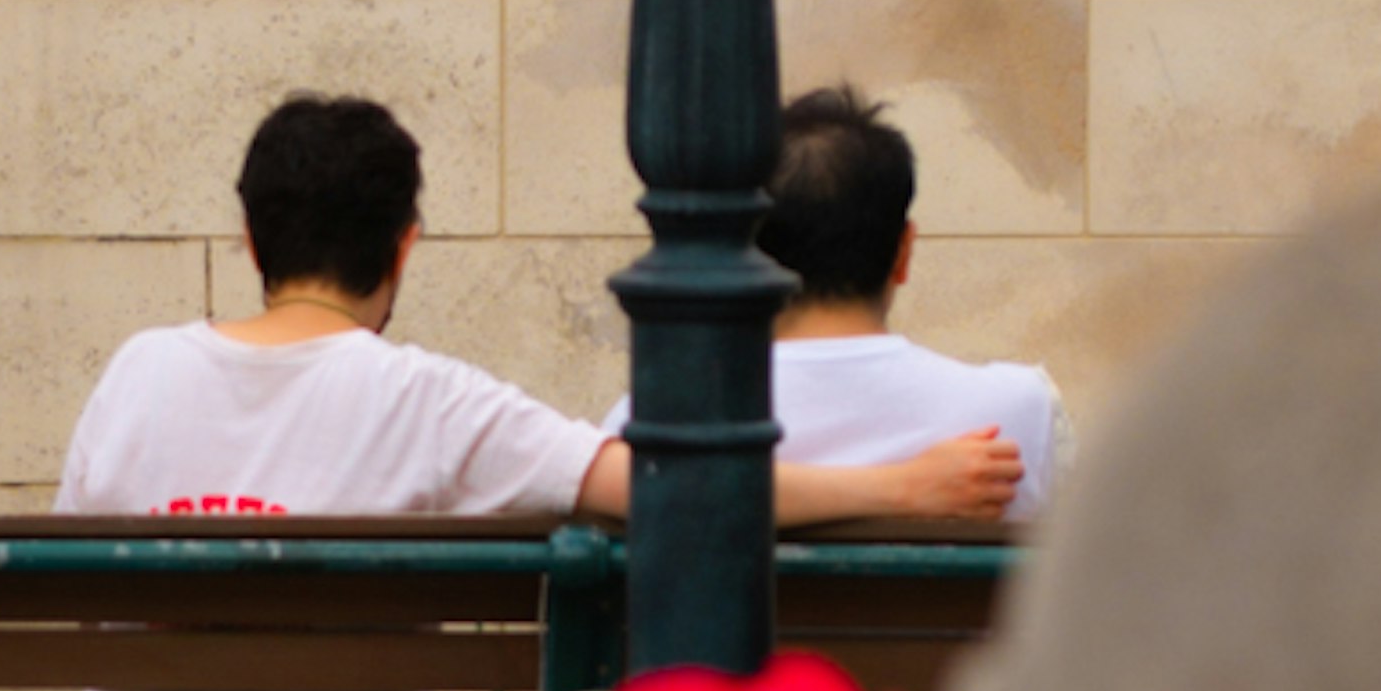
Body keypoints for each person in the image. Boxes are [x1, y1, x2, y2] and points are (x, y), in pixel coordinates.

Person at [60, 91, 1022, 526]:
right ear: (405, 243)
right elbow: (676, 490)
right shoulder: (432, 402)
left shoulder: (138, 371)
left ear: (250, 238)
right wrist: (902, 488)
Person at [753, 82, 1064, 526]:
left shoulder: (685, 418)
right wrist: (904, 485)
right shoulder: (1019, 408)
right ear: (903, 253)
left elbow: (625, 471)